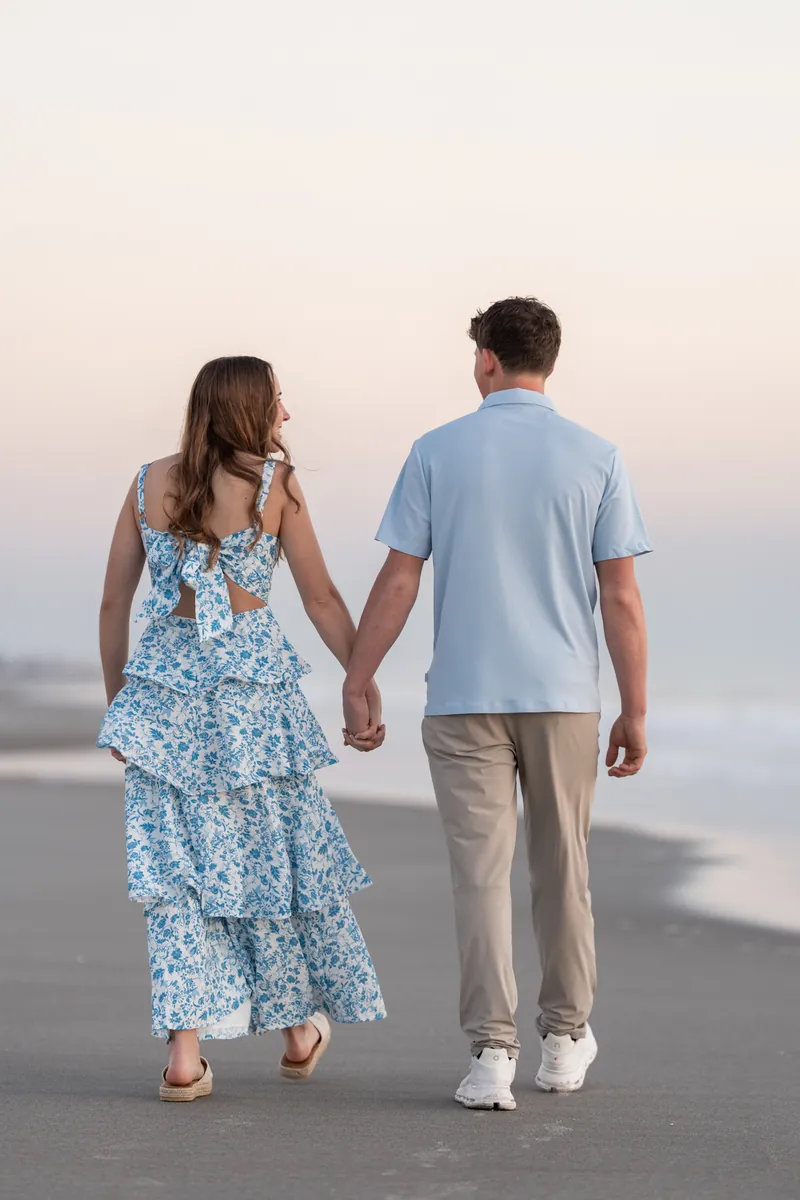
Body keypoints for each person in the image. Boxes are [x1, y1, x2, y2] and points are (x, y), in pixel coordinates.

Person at [342, 297, 650, 1111]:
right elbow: (619, 598)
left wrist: (358, 674)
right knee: (563, 870)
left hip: (463, 699)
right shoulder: (597, 456)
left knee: (479, 878)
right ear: (549, 360)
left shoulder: (437, 451)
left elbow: (401, 577)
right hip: (562, 699)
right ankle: (562, 1039)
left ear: (486, 359)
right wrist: (635, 708)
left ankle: (490, 1054)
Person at [98, 356, 386, 1102]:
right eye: (278, 402)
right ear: (249, 410)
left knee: (179, 877)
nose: (286, 416)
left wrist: (120, 708)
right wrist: (361, 681)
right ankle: (295, 1033)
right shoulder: (275, 487)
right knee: (266, 862)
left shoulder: (144, 484)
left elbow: (113, 607)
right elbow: (320, 597)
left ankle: (185, 1059)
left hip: (163, 693)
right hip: (254, 699)